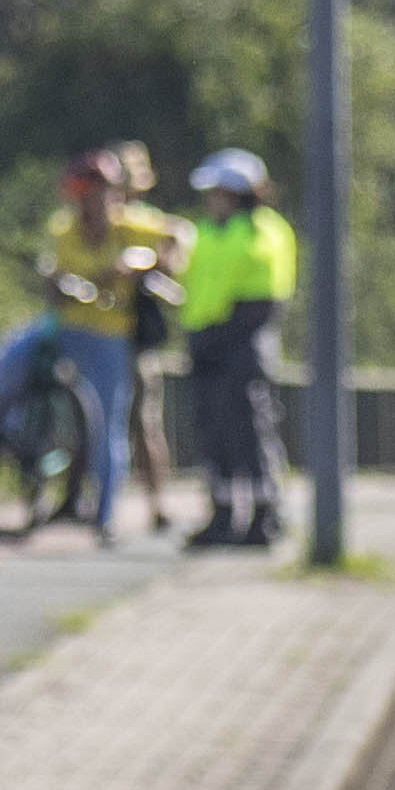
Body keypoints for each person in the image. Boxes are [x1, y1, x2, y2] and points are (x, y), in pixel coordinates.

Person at [0, 147, 185, 544]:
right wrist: (57, 283)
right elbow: (54, 275)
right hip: (65, 327)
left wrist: (156, 263)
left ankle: (104, 513)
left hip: (109, 334)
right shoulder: (65, 229)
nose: (89, 202)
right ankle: (10, 434)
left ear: (112, 193)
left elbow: (179, 234)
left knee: (105, 423)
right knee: (11, 353)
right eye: (83, 194)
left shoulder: (134, 226)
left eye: (97, 192)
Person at [172, 144, 297, 550]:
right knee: (212, 432)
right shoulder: (205, 231)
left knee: (250, 430)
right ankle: (222, 515)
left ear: (239, 194)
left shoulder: (266, 231)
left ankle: (265, 516)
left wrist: (222, 337)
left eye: (218, 193)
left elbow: (264, 299)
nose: (211, 200)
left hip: (243, 344)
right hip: (205, 344)